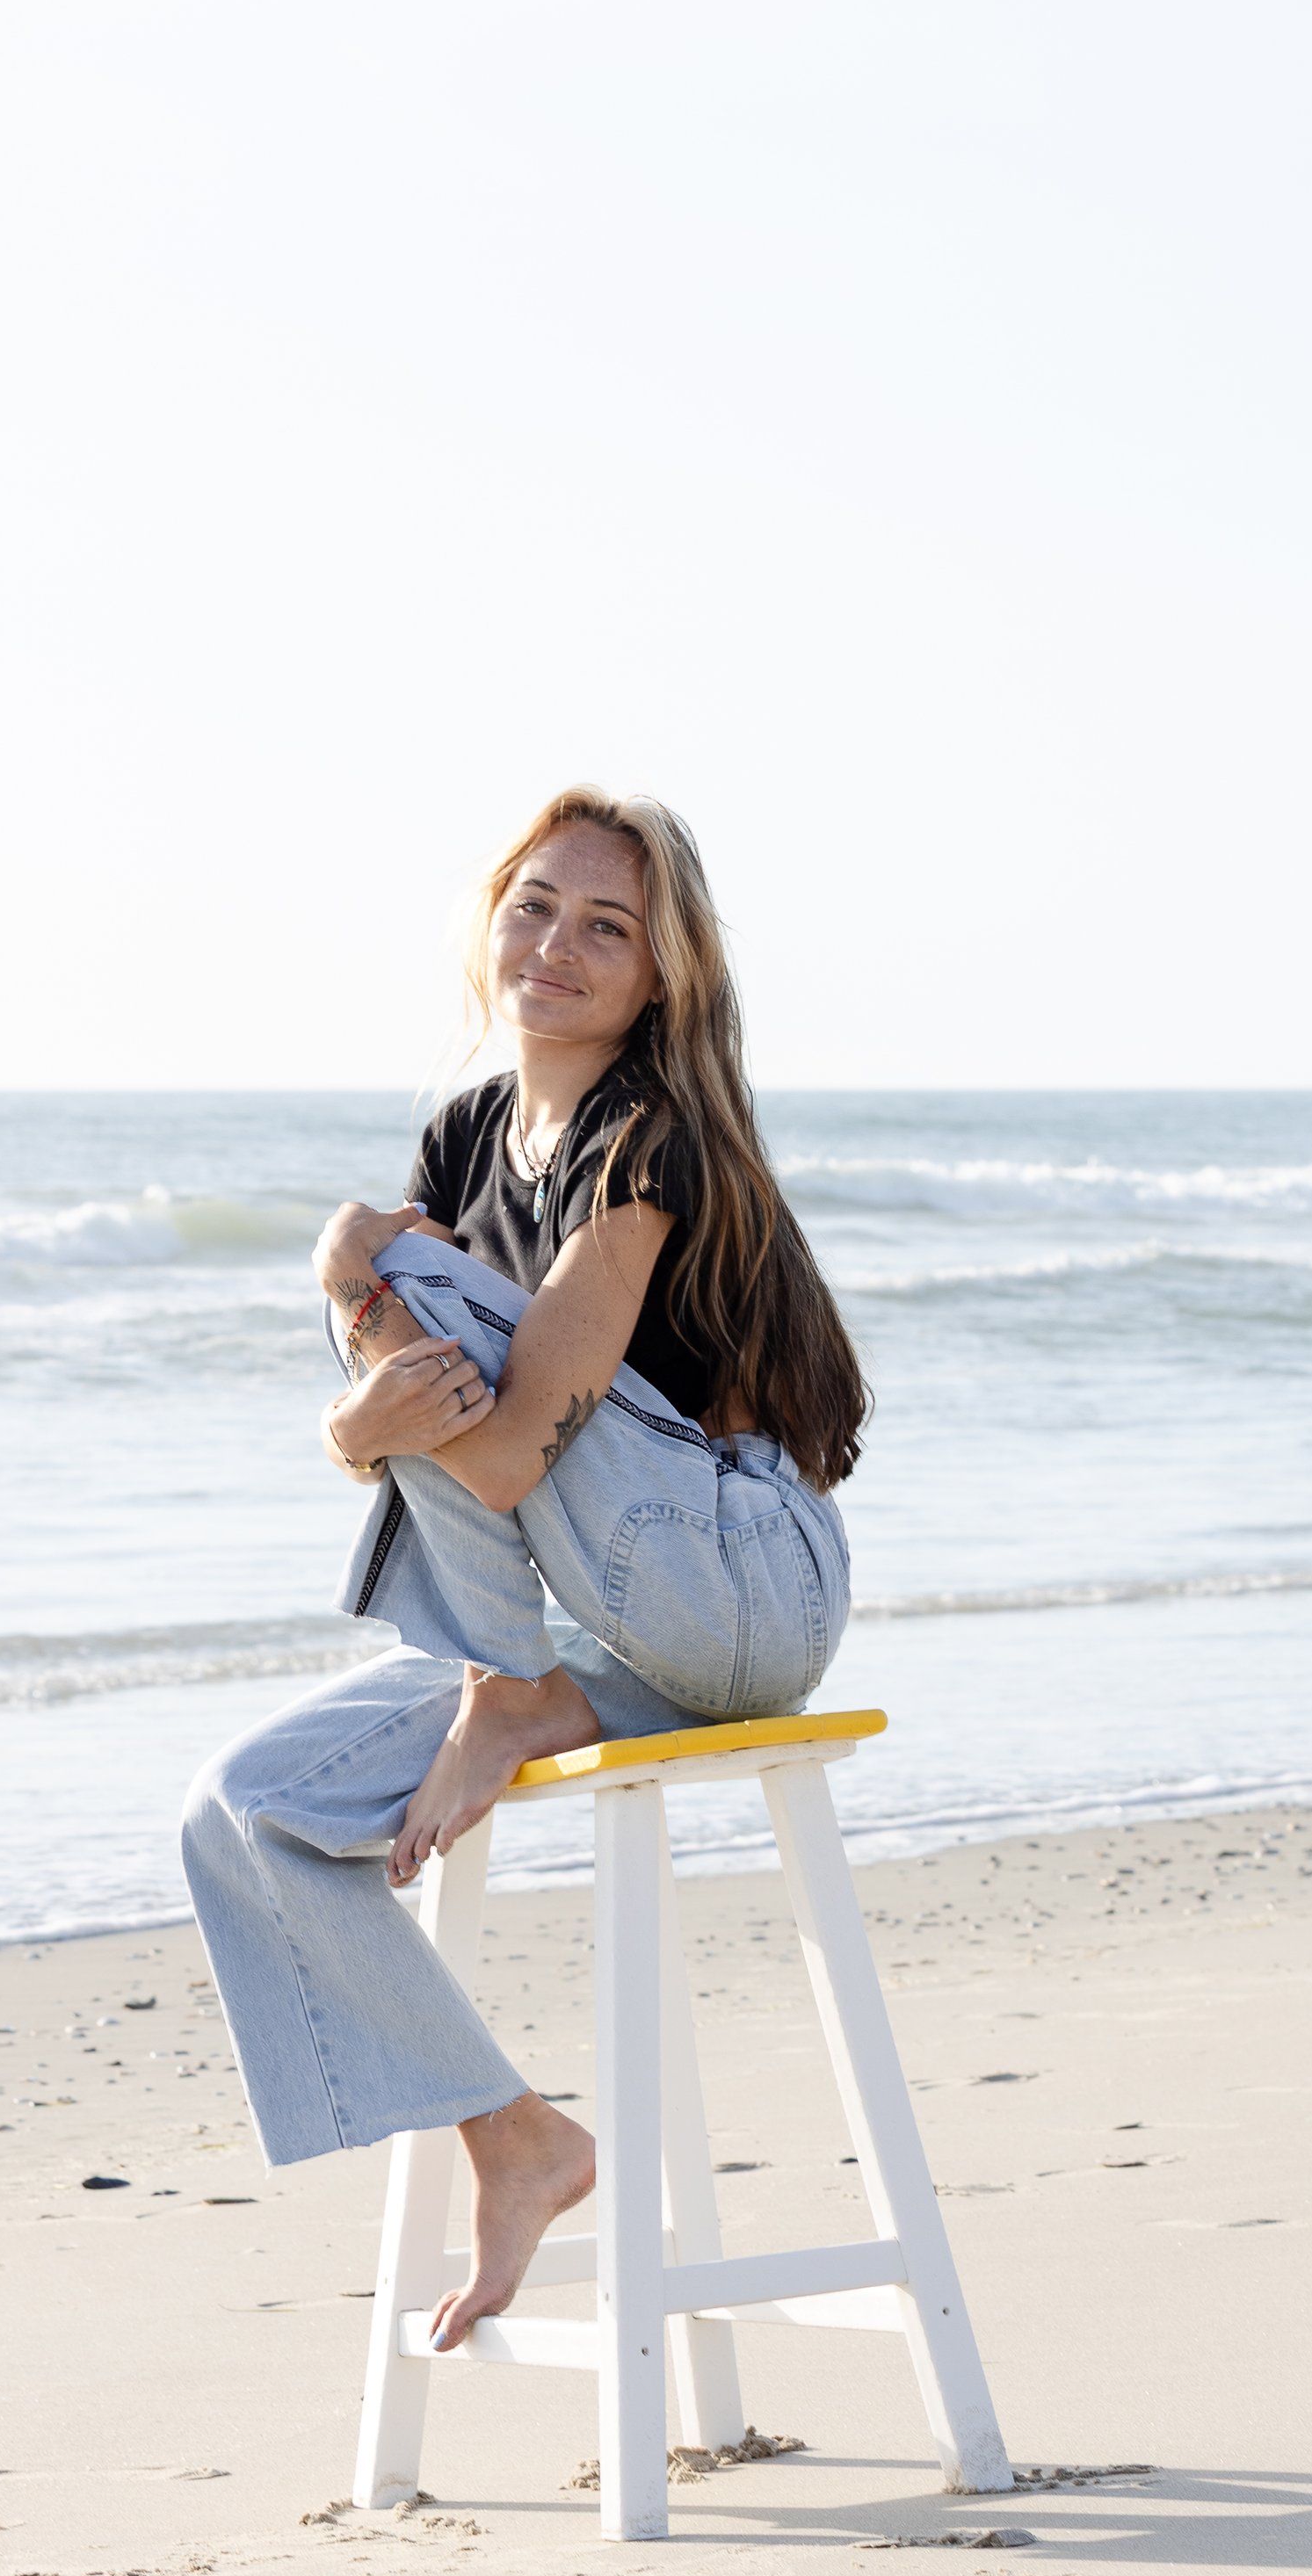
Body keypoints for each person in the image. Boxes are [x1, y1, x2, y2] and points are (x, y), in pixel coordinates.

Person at [180, 788, 868, 2347]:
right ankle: (517, 2134)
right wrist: (358, 1410)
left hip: (752, 1583)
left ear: (657, 978)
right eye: (536, 905)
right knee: (243, 1814)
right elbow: (429, 1434)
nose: (556, 946)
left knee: (396, 1261)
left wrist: (356, 1280)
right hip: (611, 1621)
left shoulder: (652, 1137)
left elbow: (494, 1459)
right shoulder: (470, 1133)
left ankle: (509, 1686)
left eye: (606, 927)